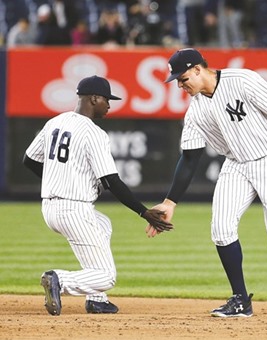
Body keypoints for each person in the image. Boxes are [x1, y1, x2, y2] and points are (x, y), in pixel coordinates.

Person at [147, 48, 267, 318]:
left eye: (183, 78)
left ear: (199, 69)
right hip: (236, 164)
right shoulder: (195, 113)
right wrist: (170, 201)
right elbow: (189, 159)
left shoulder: (242, 80)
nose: (180, 84)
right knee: (221, 229)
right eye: (176, 80)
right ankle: (240, 300)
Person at [23, 75, 173, 316]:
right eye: (106, 100)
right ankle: (59, 280)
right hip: (73, 210)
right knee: (106, 277)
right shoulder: (94, 133)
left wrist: (57, 178)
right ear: (93, 98)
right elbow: (111, 181)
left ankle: (97, 299)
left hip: (50, 208)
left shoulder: (55, 122)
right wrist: (144, 212)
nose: (109, 106)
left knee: (103, 224)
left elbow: (29, 159)